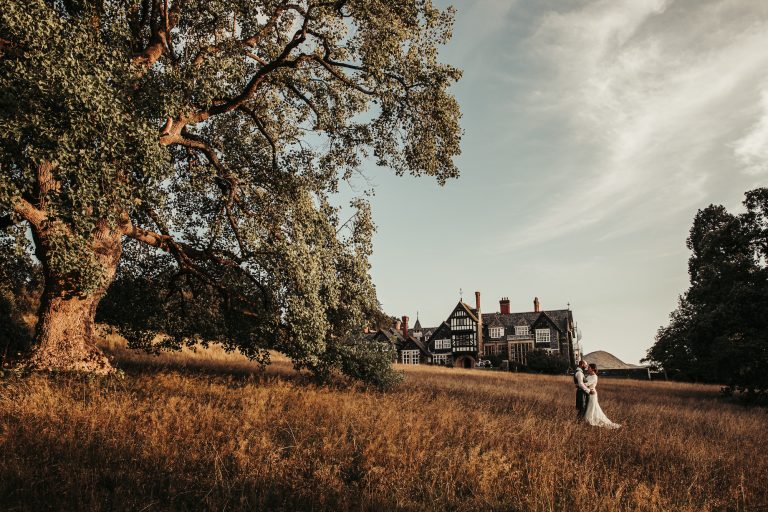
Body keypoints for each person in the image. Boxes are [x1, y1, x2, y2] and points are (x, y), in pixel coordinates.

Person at [583, 364, 620, 429]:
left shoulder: (594, 376)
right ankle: (588, 420)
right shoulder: (588, 376)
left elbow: (587, 384)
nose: (588, 368)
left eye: (589, 367)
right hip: (588, 392)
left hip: (592, 393)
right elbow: (585, 382)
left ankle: (590, 420)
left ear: (592, 369)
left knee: (592, 407)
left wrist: (579, 384)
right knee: (589, 406)